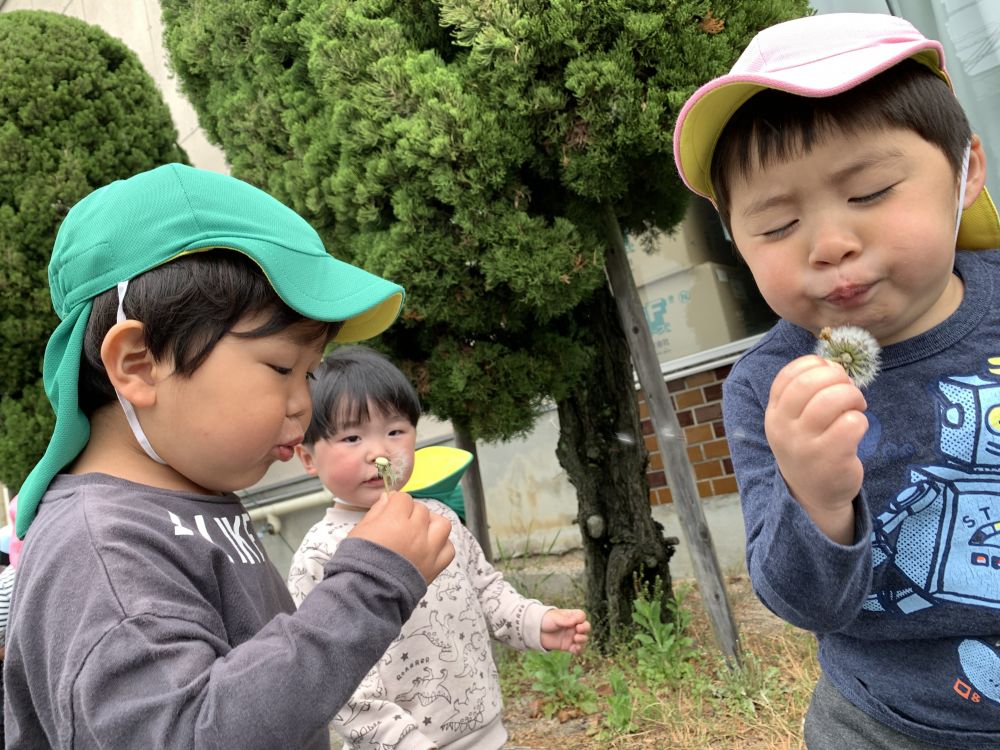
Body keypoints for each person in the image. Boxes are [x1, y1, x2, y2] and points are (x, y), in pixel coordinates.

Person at [3, 163, 455, 749]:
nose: (303, 405)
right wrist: (370, 585)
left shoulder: (189, 496)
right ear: (138, 363)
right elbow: (186, 732)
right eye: (281, 368)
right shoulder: (100, 550)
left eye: (311, 374)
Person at [673, 12, 1000, 750]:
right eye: (777, 225)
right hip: (883, 723)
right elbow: (800, 601)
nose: (830, 244)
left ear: (967, 170)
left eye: (870, 191)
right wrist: (816, 500)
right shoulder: (767, 387)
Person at [287, 345, 591, 750]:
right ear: (308, 458)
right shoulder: (321, 556)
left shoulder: (437, 518)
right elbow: (333, 671)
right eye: (352, 436)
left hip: (487, 733)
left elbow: (485, 589)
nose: (379, 452)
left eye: (395, 431)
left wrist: (535, 621)